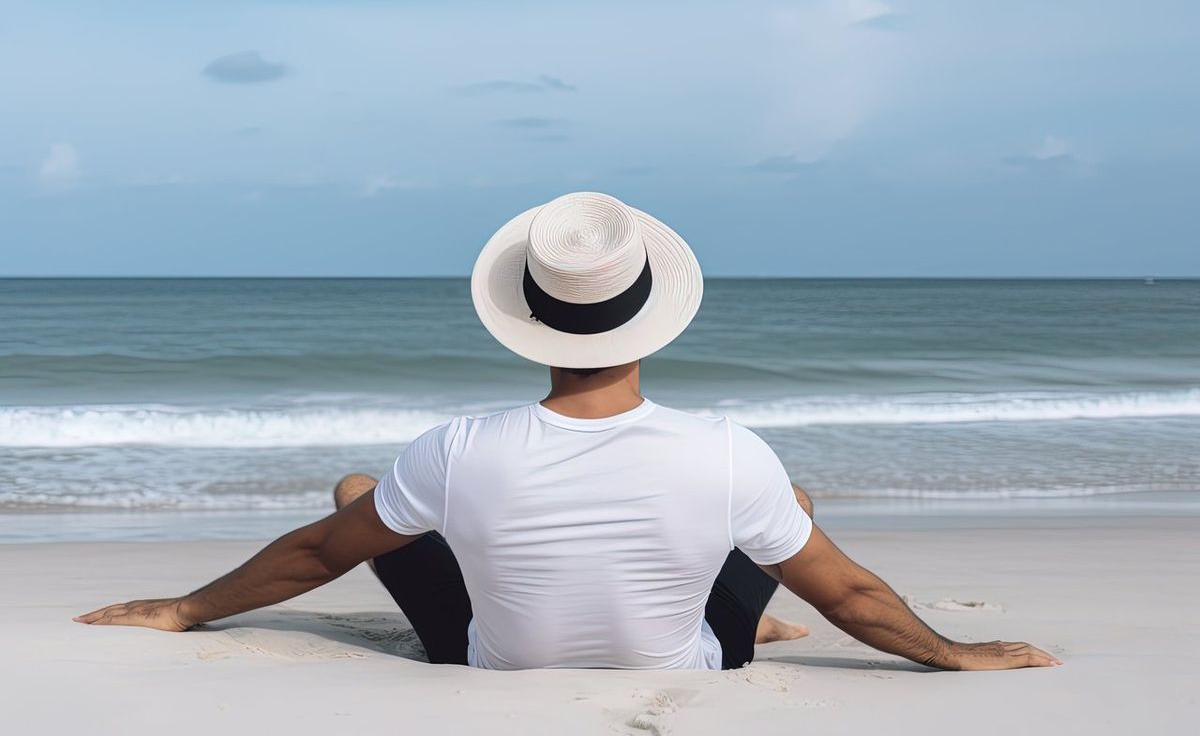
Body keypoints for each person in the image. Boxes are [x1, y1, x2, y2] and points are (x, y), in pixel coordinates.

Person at [76, 192, 1060, 672]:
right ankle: (742, 618)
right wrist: (951, 653)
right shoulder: (728, 449)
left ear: (528, 320)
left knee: (355, 497)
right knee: (784, 506)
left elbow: (318, 554)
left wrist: (187, 608)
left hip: (491, 662)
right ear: (654, 320)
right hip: (693, 658)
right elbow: (846, 592)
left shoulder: (458, 448)